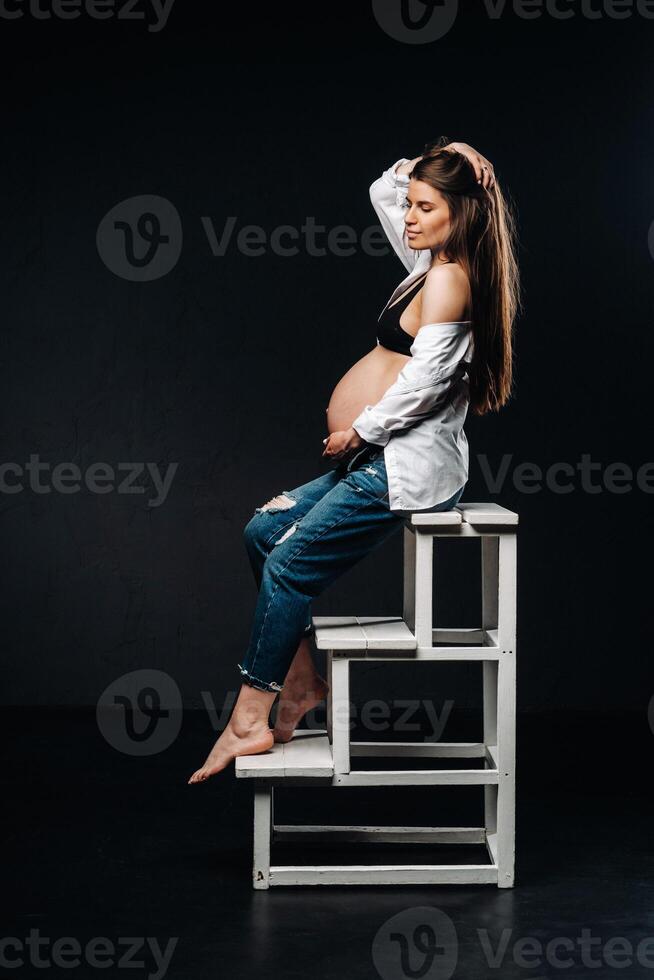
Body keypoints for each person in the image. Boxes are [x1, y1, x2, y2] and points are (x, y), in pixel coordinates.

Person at [188, 139, 520, 783]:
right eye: (414, 206)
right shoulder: (427, 265)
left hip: (402, 465)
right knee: (263, 533)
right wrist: (441, 152)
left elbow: (424, 388)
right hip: (374, 458)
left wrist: (358, 432)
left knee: (288, 563)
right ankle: (305, 680)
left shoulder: (451, 280)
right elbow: (382, 191)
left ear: (462, 213)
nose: (410, 217)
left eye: (426, 207)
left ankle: (249, 719)